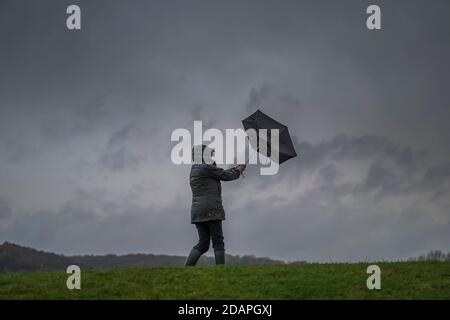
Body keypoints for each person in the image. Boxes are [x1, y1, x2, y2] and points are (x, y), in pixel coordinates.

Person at [185, 145, 246, 266]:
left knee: (203, 244)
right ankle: (220, 271)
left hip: (198, 211)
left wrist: (236, 168)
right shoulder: (206, 168)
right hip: (211, 210)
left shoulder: (195, 169)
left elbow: (219, 173)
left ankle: (187, 268)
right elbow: (226, 175)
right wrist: (239, 169)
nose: (211, 157)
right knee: (218, 241)